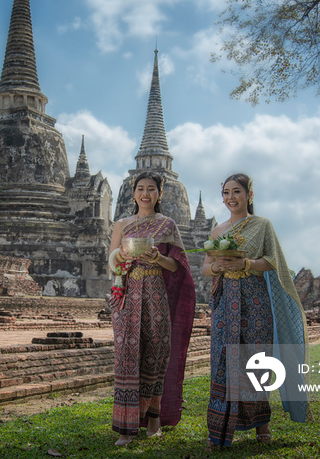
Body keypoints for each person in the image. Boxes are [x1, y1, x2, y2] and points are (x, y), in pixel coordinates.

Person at [202, 173, 309, 451]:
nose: (230, 198)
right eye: (225, 193)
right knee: (223, 360)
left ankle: (262, 425)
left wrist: (246, 264)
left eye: (236, 192)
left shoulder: (262, 226)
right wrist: (218, 267)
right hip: (226, 302)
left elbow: (274, 262)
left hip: (256, 302)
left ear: (250, 194)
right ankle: (220, 430)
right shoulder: (217, 231)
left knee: (256, 361)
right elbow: (205, 266)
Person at [108, 171, 196, 446]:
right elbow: (111, 261)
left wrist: (158, 258)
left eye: (151, 189)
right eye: (140, 188)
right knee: (127, 355)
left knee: (156, 352)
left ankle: (154, 417)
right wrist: (120, 256)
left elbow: (176, 265)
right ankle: (126, 427)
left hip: (156, 291)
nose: (145, 194)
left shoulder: (167, 225)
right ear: (133, 193)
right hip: (127, 292)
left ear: (160, 194)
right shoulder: (122, 224)